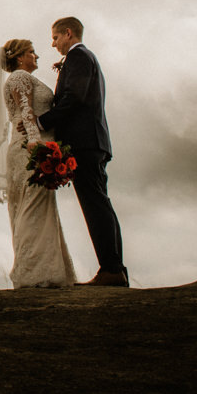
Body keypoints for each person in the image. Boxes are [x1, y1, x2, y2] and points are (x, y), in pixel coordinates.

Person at [37, 17, 128, 287]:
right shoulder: (85, 58)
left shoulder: (79, 57)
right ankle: (114, 269)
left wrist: (43, 122)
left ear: (68, 34)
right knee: (101, 204)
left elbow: (73, 97)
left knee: (95, 205)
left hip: (85, 143)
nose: (52, 44)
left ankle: (111, 270)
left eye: (55, 38)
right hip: (93, 142)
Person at [0, 38, 77, 288]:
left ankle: (44, 271)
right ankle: (32, 273)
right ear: (19, 58)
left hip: (31, 145)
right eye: (32, 52)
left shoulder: (23, 77)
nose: (36, 56)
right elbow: (26, 110)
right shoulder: (19, 77)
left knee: (35, 205)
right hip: (30, 148)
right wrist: (36, 143)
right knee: (33, 205)